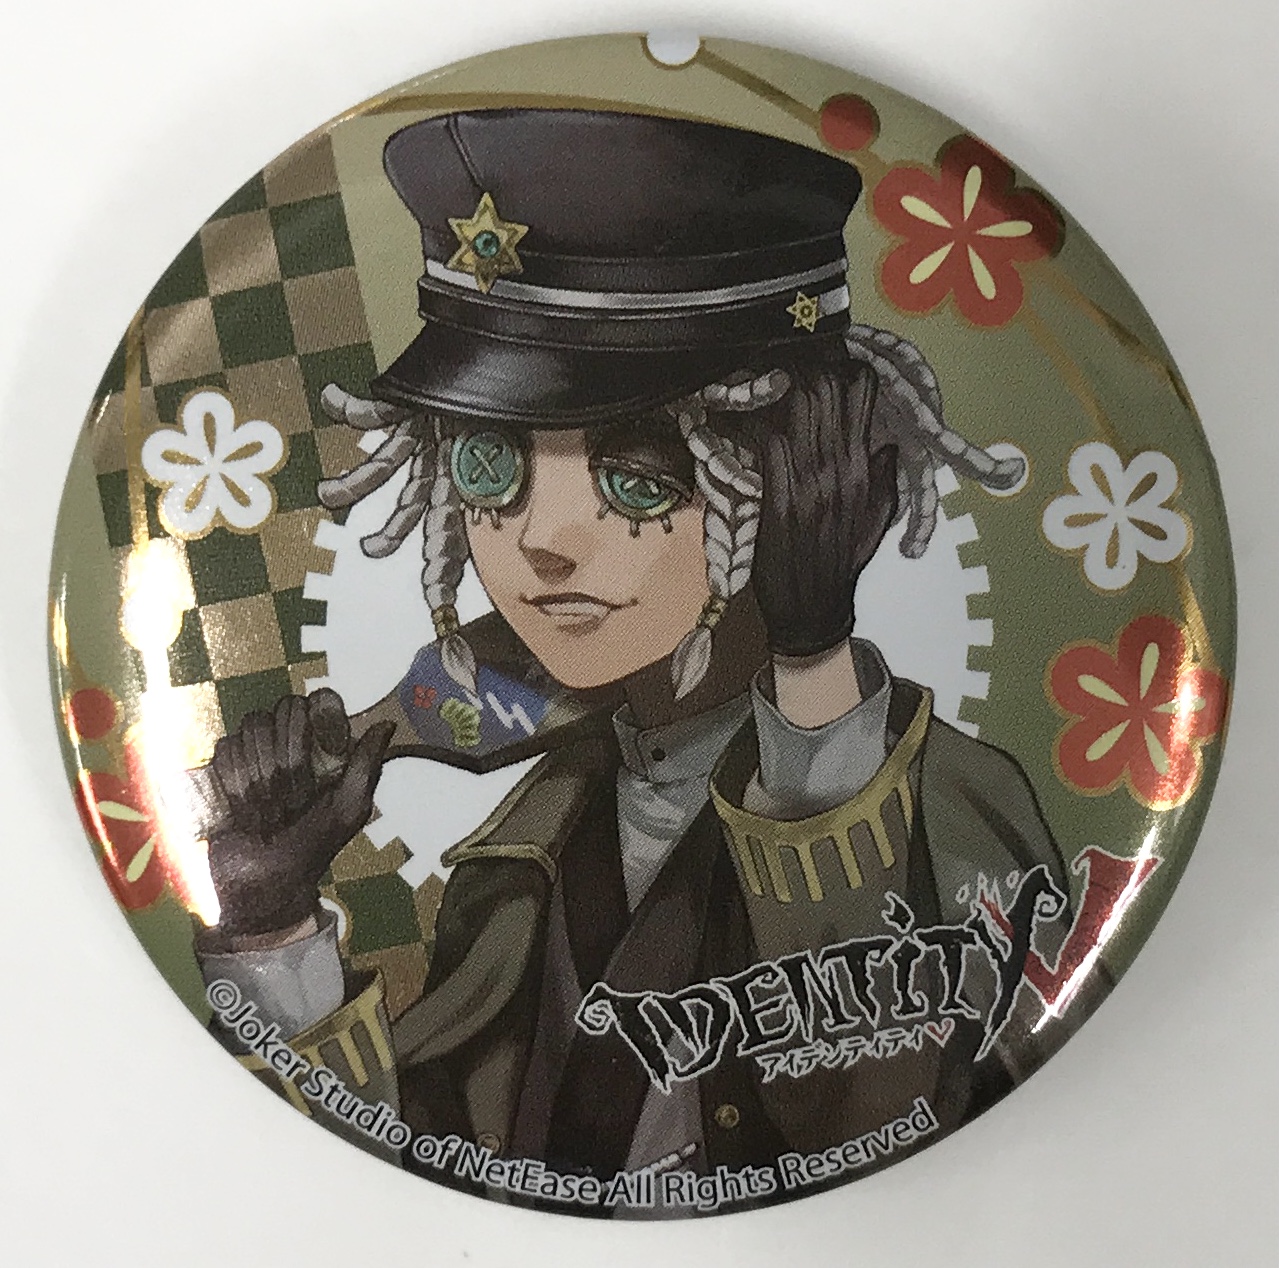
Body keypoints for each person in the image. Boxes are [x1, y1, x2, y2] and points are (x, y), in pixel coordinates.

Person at [193, 109, 1077, 1208]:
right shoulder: (522, 854)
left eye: (639, 477)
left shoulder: (954, 807)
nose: (541, 541)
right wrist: (272, 927)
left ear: (809, 474)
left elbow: (883, 1116)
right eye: (488, 466)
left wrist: (814, 666)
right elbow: (404, 1165)